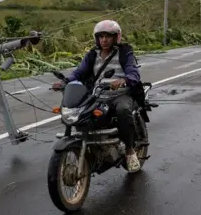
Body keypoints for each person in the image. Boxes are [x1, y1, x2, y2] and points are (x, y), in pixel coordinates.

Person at [53, 19, 142, 173]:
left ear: (116, 37)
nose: (104, 40)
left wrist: (124, 80)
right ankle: (92, 144)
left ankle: (129, 151)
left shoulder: (125, 51)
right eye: (101, 36)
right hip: (98, 94)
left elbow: (133, 72)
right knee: (79, 111)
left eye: (108, 36)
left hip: (120, 94)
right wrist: (65, 82)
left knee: (122, 110)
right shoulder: (92, 54)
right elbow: (79, 72)